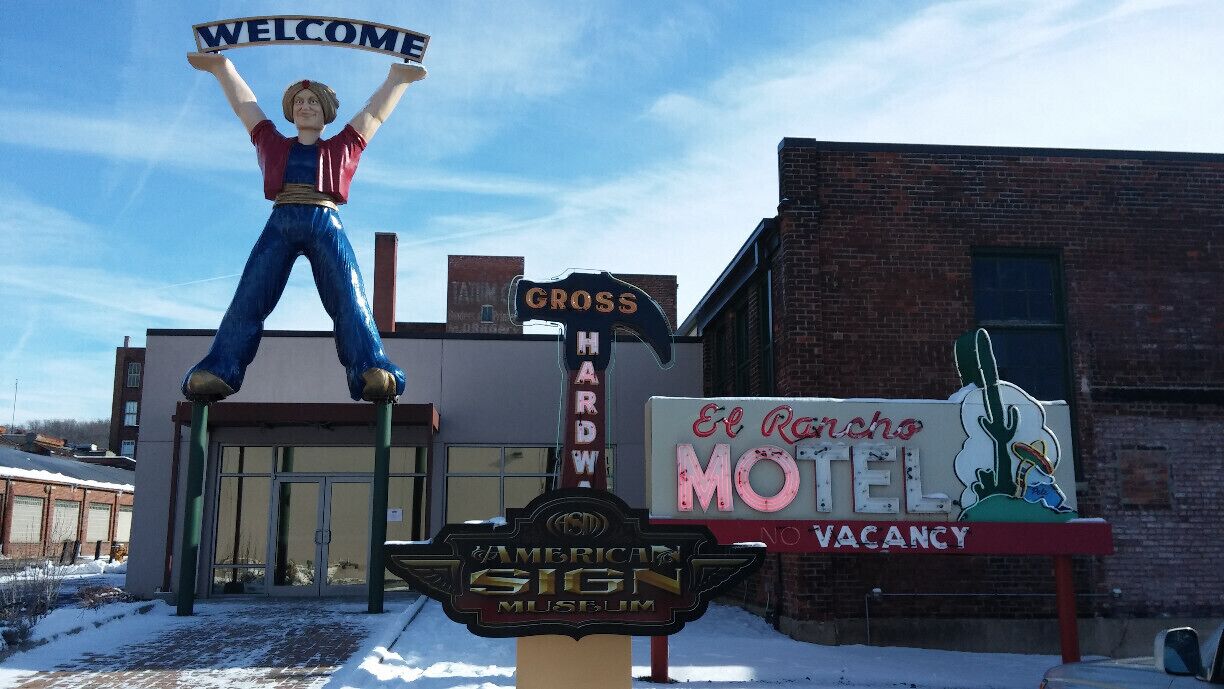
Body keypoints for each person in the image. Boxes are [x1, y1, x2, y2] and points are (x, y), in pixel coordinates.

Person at [180, 52, 426, 403]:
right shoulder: (273, 143)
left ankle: (370, 366)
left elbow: (374, 114)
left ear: (325, 110)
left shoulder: (341, 146)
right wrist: (222, 69)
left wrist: (397, 79)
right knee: (249, 295)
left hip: (325, 220)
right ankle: (220, 368)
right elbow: (245, 106)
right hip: (281, 220)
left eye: (312, 101)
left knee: (349, 294)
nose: (305, 106)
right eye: (298, 101)